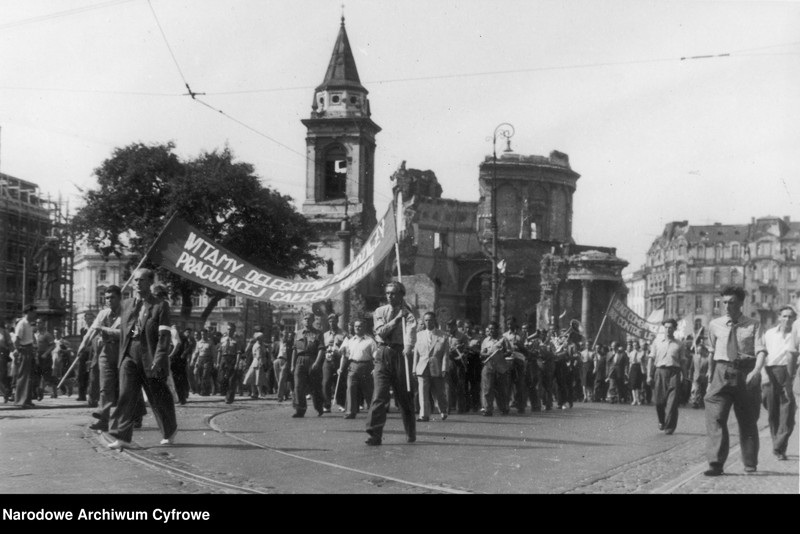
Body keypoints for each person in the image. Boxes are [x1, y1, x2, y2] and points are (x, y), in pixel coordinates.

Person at [106, 268, 177, 450]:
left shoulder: (160, 306)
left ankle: (169, 431)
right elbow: (121, 331)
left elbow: (164, 336)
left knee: (157, 397)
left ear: (150, 283)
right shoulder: (127, 304)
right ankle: (122, 437)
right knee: (126, 395)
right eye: (135, 280)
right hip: (129, 355)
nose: (137, 283)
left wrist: (159, 358)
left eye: (142, 280)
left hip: (150, 356)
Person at [702, 286, 766, 476]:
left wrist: (756, 371)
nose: (727, 306)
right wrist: (709, 378)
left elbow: (761, 350)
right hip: (722, 372)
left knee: (747, 420)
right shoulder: (715, 324)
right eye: (724, 302)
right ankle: (715, 463)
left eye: (731, 302)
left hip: (746, 372)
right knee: (715, 416)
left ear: (740, 303)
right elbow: (712, 352)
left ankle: (749, 462)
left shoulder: (754, 324)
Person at [365, 281, 418, 445]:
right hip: (383, 352)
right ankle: (374, 433)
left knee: (404, 396)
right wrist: (396, 319)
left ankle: (410, 432)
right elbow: (381, 331)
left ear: (402, 294)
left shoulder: (408, 313)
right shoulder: (380, 311)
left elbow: (411, 331)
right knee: (379, 395)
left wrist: (408, 347)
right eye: (388, 293)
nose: (390, 296)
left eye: (394, 293)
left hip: (400, 354)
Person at [760, 305, 797, 461]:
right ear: (779, 317)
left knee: (788, 410)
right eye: (784, 316)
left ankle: (779, 444)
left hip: (789, 372)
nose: (787, 319)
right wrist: (763, 374)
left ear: (794, 319)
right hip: (770, 372)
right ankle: (778, 446)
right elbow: (761, 354)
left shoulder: (797, 335)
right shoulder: (769, 334)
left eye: (790, 317)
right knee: (772, 409)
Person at [87, 285, 122, 432]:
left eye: (112, 297)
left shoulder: (127, 314)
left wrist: (105, 330)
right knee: (105, 386)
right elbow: (92, 331)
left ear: (120, 298)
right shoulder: (103, 314)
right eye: (106, 298)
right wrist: (84, 345)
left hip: (122, 351)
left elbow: (127, 333)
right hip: (106, 351)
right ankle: (103, 418)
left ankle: (136, 414)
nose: (109, 300)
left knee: (126, 387)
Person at [646, 319, 687, 435]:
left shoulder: (679, 344)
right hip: (660, 372)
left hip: (674, 373)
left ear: (674, 329)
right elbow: (651, 360)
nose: (668, 330)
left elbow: (683, 362)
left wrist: (685, 377)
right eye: (666, 327)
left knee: (672, 402)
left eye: (670, 327)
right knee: (659, 401)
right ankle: (661, 420)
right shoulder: (657, 342)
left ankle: (669, 427)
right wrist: (649, 376)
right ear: (663, 328)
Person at [413, 312, 450, 422]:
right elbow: (416, 353)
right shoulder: (419, 335)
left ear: (435, 321)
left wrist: (444, 368)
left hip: (437, 367)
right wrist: (414, 369)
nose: (428, 322)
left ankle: (443, 410)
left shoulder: (443, 336)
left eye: (430, 320)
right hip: (422, 367)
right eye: (426, 320)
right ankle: (424, 415)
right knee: (423, 392)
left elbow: (445, 355)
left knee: (439, 392)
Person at [291, 312, 326, 418]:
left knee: (315, 386)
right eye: (305, 319)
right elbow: (294, 350)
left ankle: (319, 407)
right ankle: (299, 410)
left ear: (313, 321)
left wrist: (317, 362)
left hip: (312, 359)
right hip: (300, 360)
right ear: (302, 321)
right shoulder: (298, 333)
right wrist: (292, 365)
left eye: (309, 319)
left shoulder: (318, 333)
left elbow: (321, 349)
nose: (307, 320)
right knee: (298, 386)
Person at [340, 319, 375, 419]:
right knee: (351, 389)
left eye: (360, 326)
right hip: (353, 366)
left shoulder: (370, 341)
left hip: (366, 367)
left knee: (368, 390)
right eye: (355, 326)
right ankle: (350, 412)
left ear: (364, 327)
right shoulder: (350, 341)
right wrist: (341, 368)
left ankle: (373, 412)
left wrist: (375, 368)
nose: (357, 328)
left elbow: (376, 356)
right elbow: (345, 356)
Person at [480, 321, 513, 416]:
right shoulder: (486, 340)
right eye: (489, 329)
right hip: (489, 365)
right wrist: (487, 354)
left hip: (500, 366)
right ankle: (487, 409)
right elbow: (482, 353)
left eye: (493, 329)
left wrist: (501, 354)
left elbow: (509, 351)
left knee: (501, 389)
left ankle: (503, 407)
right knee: (487, 388)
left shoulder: (503, 339)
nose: (491, 331)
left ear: (497, 330)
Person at [13, 305, 37, 408]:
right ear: (28, 312)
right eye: (34, 312)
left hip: (29, 349)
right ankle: (20, 401)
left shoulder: (28, 324)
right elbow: (16, 339)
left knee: (29, 376)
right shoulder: (22, 323)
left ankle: (27, 400)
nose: (35, 314)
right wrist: (19, 350)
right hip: (24, 350)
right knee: (23, 376)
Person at [322, 313, 346, 413]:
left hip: (338, 359)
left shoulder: (343, 334)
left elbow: (345, 348)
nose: (332, 323)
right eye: (330, 321)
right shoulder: (325, 335)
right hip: (328, 360)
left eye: (334, 321)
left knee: (339, 382)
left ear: (337, 321)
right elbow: (323, 347)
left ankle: (341, 403)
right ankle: (327, 405)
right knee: (326, 382)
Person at [446, 319, 469, 414]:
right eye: (448, 326)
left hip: (459, 363)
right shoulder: (445, 336)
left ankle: (460, 408)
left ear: (455, 326)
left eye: (451, 326)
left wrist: (462, 353)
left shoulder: (462, 336)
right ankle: (448, 408)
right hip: (448, 362)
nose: (449, 328)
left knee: (460, 386)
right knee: (448, 386)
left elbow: (466, 349)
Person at [218, 323, 244, 404]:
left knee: (232, 380)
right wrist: (217, 362)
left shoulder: (237, 340)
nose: (230, 331)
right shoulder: (223, 339)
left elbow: (239, 352)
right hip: (223, 358)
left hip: (232, 359)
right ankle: (224, 392)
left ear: (234, 330)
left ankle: (229, 398)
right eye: (228, 329)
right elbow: (219, 351)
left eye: (231, 330)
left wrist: (237, 363)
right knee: (222, 378)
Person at [243, 329, 270, 399]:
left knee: (253, 378)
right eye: (262, 337)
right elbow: (259, 355)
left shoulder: (258, 344)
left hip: (254, 363)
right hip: (258, 362)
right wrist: (262, 363)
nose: (263, 338)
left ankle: (253, 392)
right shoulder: (258, 346)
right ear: (259, 338)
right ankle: (260, 393)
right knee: (258, 379)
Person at [273, 329, 294, 402]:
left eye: (286, 335)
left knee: (282, 379)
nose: (284, 337)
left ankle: (280, 397)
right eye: (283, 335)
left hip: (285, 361)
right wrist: (274, 360)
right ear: (281, 336)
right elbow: (273, 352)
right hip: (277, 360)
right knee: (278, 379)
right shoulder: (277, 343)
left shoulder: (290, 344)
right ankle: (285, 394)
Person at [690, 342, 710, 409]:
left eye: (700, 349)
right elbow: (691, 368)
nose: (699, 351)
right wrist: (690, 375)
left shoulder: (707, 358)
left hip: (704, 377)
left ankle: (702, 403)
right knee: (695, 390)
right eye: (698, 350)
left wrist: (708, 374)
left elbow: (709, 368)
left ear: (704, 350)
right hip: (696, 376)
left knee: (703, 390)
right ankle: (695, 402)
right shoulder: (694, 357)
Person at [627, 341, 644, 405]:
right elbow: (630, 363)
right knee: (633, 384)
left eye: (636, 345)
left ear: (638, 345)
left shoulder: (641, 352)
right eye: (633, 345)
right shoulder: (631, 353)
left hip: (639, 367)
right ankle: (634, 399)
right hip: (633, 368)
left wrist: (643, 370)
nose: (635, 346)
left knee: (638, 384)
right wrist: (629, 371)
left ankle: (638, 399)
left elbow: (642, 361)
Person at [0, 321, 14, 403]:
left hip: (2, 355)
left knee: (2, 376)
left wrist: (15, 353)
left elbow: (10, 344)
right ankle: (6, 392)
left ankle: (7, 393)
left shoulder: (4, 332)